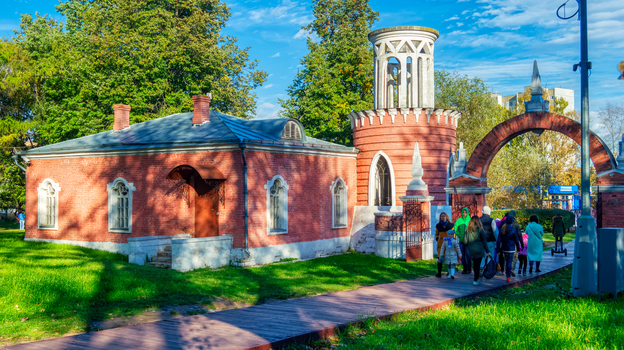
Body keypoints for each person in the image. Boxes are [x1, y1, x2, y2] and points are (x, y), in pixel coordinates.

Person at [463, 215, 491, 286]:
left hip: (471, 249)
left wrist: (468, 246)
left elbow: (465, 241)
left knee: (475, 264)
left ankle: (476, 279)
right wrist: (487, 251)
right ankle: (476, 279)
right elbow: (484, 241)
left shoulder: (467, 230)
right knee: (477, 265)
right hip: (479, 249)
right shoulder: (481, 230)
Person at [497, 217, 521, 283]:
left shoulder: (502, 229)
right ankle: (508, 276)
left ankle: (507, 274)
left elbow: (499, 240)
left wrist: (498, 249)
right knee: (509, 262)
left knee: (506, 261)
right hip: (511, 248)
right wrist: (518, 248)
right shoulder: (513, 229)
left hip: (504, 248)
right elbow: (516, 239)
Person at [435, 212, 454, 278]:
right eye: (442, 216)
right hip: (440, 243)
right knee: (440, 258)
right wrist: (437, 239)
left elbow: (452, 233)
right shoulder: (438, 225)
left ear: (446, 217)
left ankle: (449, 272)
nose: (443, 217)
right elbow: (436, 234)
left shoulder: (450, 225)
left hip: (448, 243)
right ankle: (439, 273)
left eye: (444, 216)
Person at [453, 207, 471, 274]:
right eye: (463, 212)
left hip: (469, 241)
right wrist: (459, 235)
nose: (464, 213)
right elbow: (455, 228)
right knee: (462, 255)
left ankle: (469, 268)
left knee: (468, 254)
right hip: (461, 240)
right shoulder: (459, 220)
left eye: (465, 212)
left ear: (467, 212)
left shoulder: (470, 220)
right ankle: (465, 268)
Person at [505, 210, 523, 277]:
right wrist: (521, 244)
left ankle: (507, 270)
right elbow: (519, 234)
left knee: (506, 258)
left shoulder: (504, 223)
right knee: (514, 256)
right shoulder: (516, 224)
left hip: (505, 243)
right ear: (514, 216)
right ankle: (512, 268)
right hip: (514, 243)